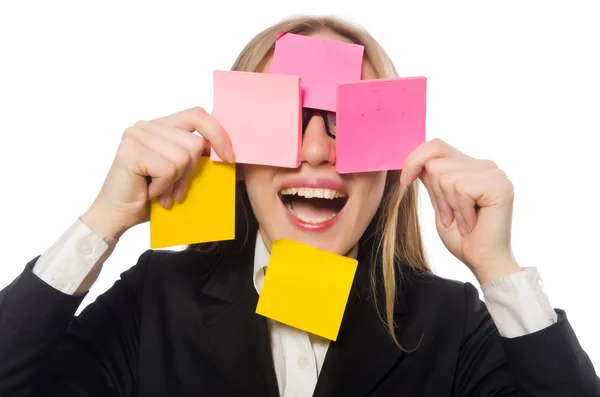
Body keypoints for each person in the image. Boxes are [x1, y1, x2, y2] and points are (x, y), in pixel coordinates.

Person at [0, 15, 598, 397]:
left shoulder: (453, 322)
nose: (315, 150)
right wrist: (100, 222)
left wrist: (500, 270)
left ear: (393, 164)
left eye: (347, 122)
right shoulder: (157, 299)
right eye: (284, 119)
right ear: (231, 151)